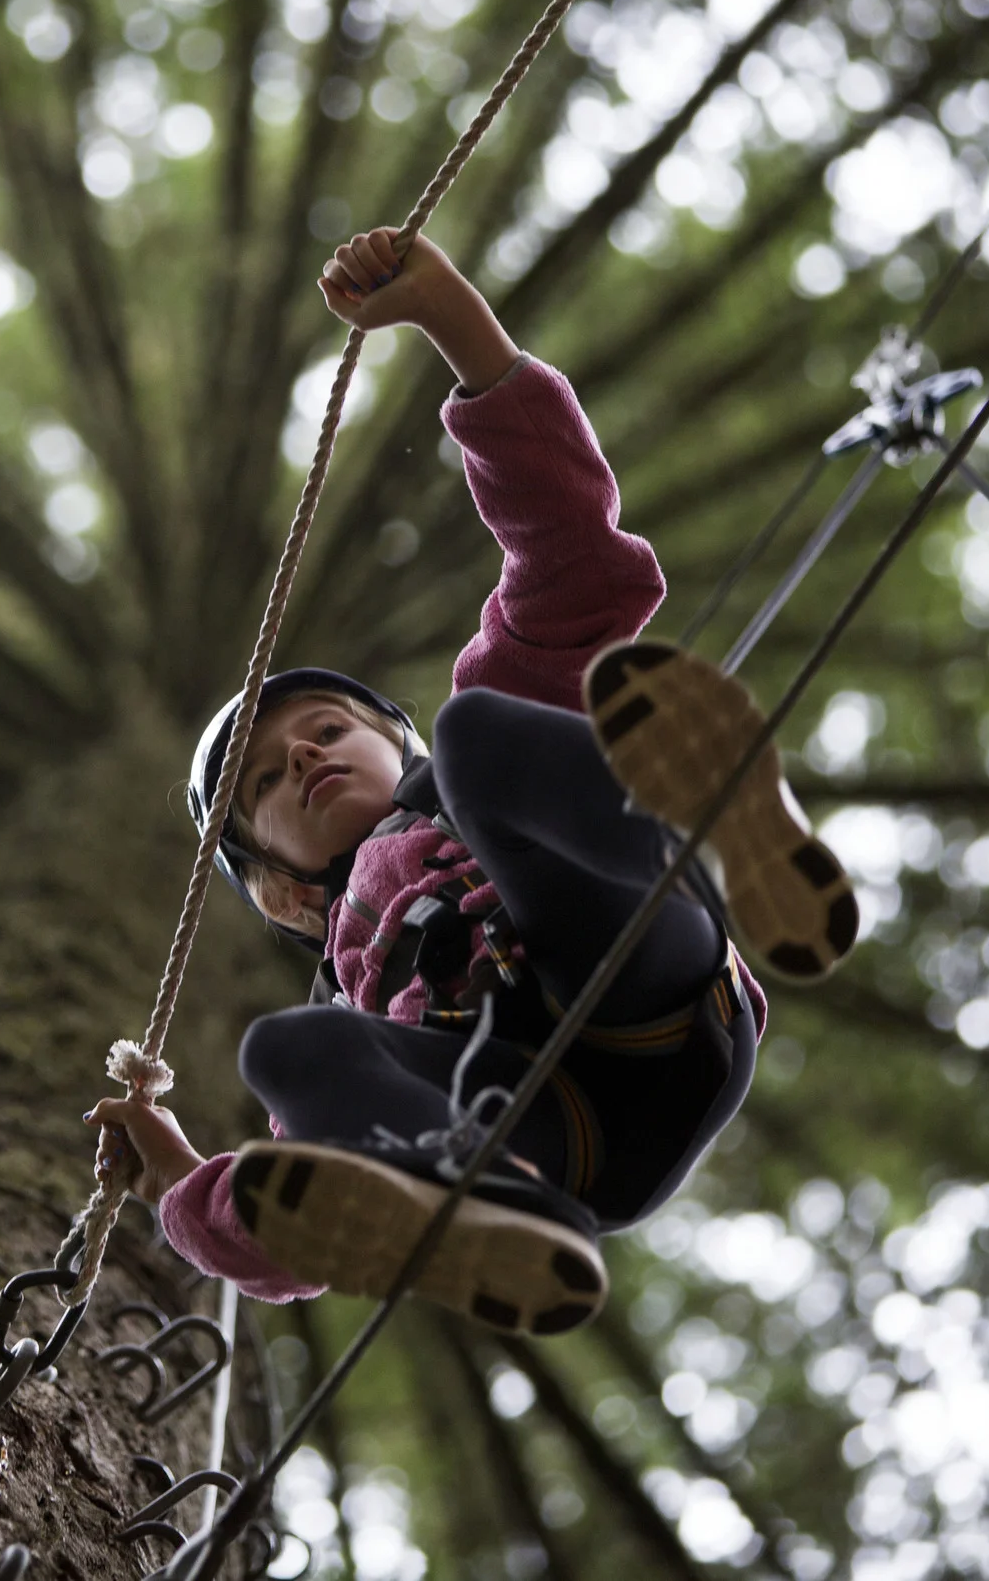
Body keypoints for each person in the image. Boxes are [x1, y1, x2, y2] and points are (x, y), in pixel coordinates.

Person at [85, 227, 857, 1334]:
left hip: (643, 978)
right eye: (264, 781)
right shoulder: (350, 1000)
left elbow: (571, 564)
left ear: (391, 744)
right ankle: (483, 1210)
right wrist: (176, 1181)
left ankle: (725, 833)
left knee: (489, 736)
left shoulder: (453, 769)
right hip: (544, 1129)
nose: (300, 754)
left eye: (325, 727)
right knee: (287, 1049)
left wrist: (454, 324)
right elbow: (287, 1230)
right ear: (285, 896)